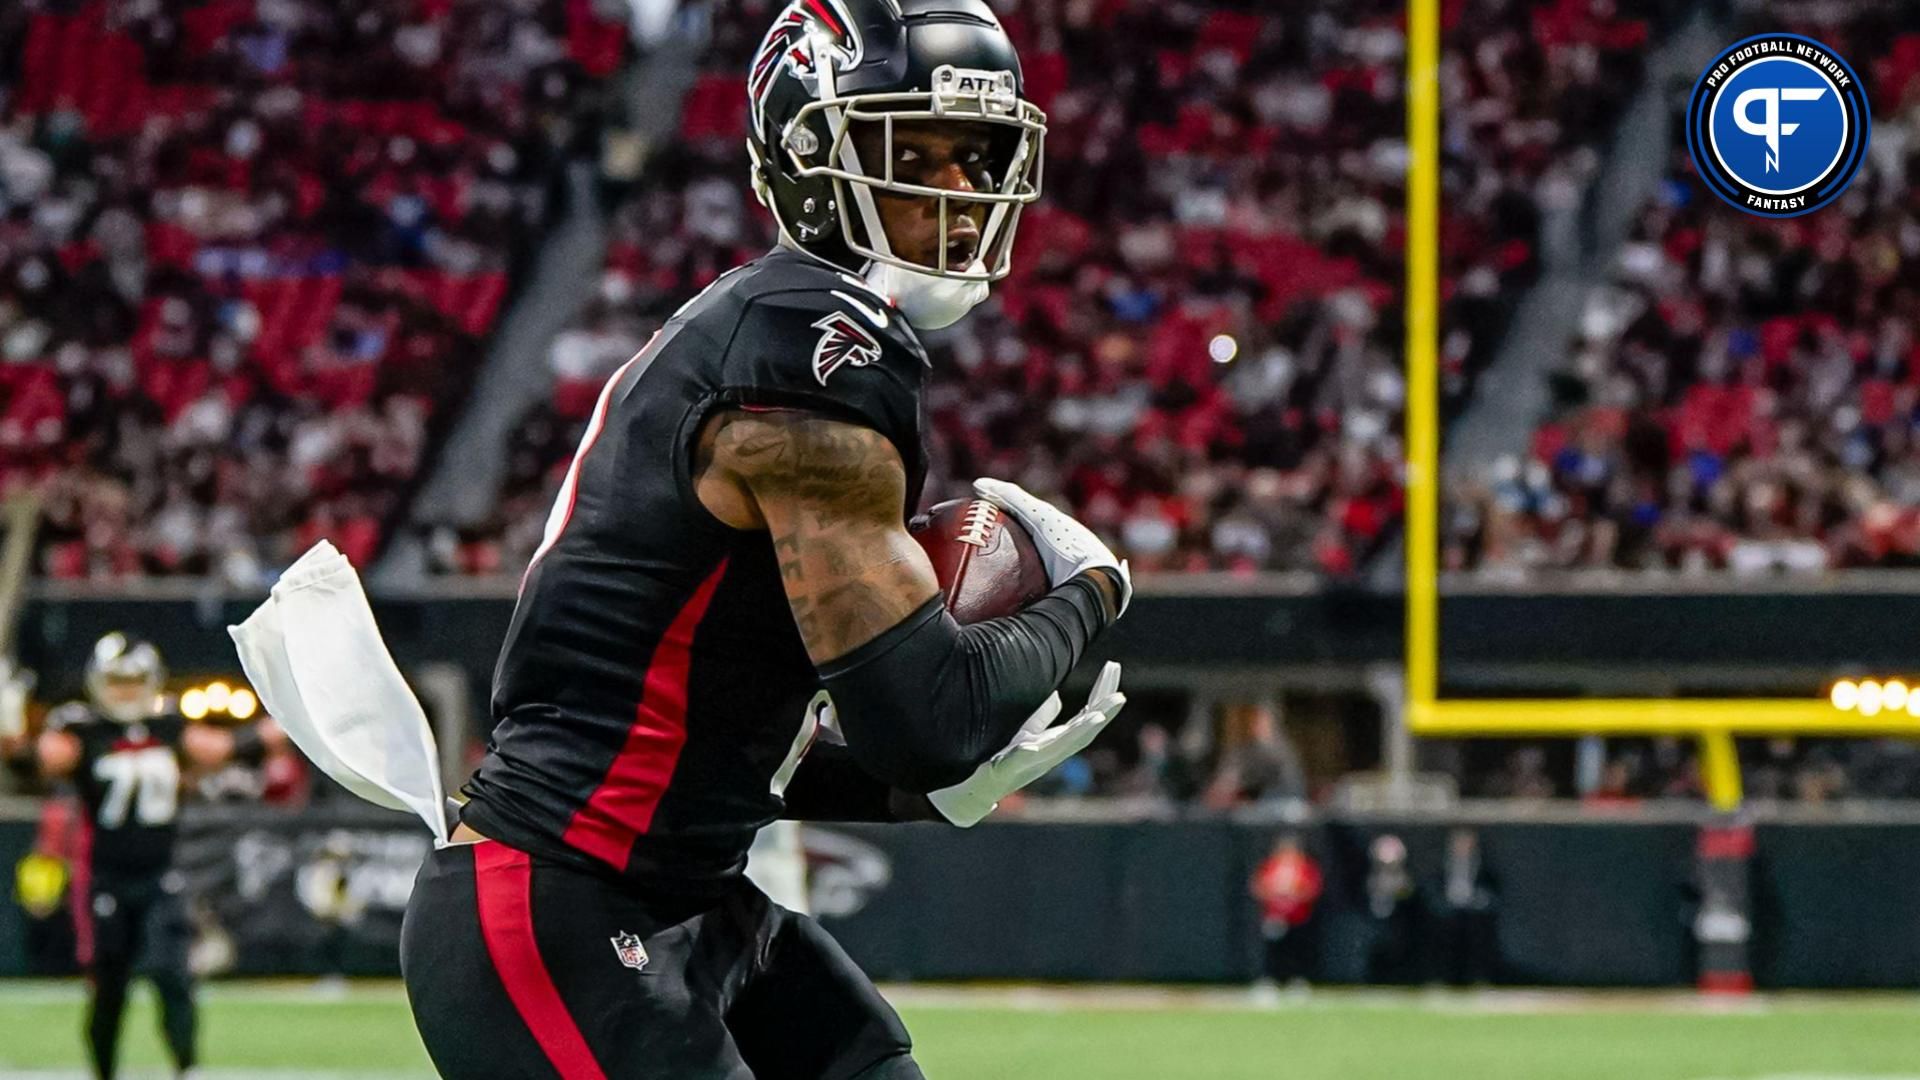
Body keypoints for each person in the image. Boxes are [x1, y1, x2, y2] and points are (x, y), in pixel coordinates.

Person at [398, 3, 1130, 1077]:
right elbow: (929, 716)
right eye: (915, 152)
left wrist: (902, 791)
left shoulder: (781, 329)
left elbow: (719, 732)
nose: (964, 194)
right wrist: (1088, 592)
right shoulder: (804, 353)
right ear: (808, 160)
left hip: (683, 893)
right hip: (559, 909)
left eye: (978, 157)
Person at [0, 633, 284, 1080]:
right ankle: (104, 1072)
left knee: (172, 974)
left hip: (160, 874)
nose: (126, 691)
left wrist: (294, 716)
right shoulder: (83, 730)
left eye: (134, 681)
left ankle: (188, 1068)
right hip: (105, 878)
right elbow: (30, 763)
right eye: (117, 681)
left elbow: (233, 749)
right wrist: (10, 734)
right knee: (109, 988)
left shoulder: (168, 727)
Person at [1250, 833, 1322, 992]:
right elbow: (1258, 887)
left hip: (1298, 917)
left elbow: (1312, 889)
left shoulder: (1304, 867)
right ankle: (1269, 981)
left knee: (1298, 950)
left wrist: (1293, 895)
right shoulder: (1271, 865)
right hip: (1275, 917)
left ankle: (1297, 981)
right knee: (1273, 951)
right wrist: (1277, 895)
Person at [1429, 827, 1499, 986]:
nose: (1463, 846)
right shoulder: (1442, 865)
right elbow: (1434, 889)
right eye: (1459, 843)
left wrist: (1477, 899)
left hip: (1474, 913)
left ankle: (1478, 979)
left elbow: (1492, 890)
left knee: (1478, 930)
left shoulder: (1483, 866)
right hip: (1448, 913)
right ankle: (1441, 979)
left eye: (1467, 843)